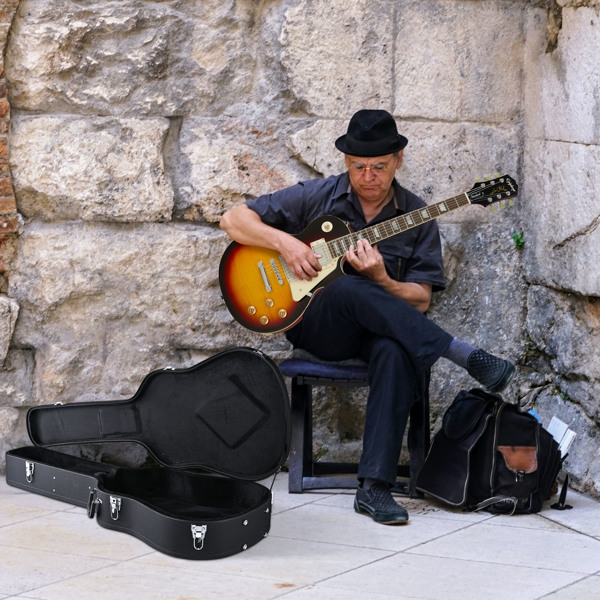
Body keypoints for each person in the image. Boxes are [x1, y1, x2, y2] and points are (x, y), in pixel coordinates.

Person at [220, 109, 515, 525]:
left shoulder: (417, 217)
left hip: (377, 332)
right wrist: (286, 244)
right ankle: (460, 353)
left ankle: (374, 488)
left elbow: (420, 300)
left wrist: (382, 279)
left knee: (396, 350)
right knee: (343, 284)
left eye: (378, 167)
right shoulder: (318, 195)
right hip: (320, 326)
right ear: (346, 162)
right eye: (359, 167)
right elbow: (233, 219)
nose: (368, 176)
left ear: (398, 160)